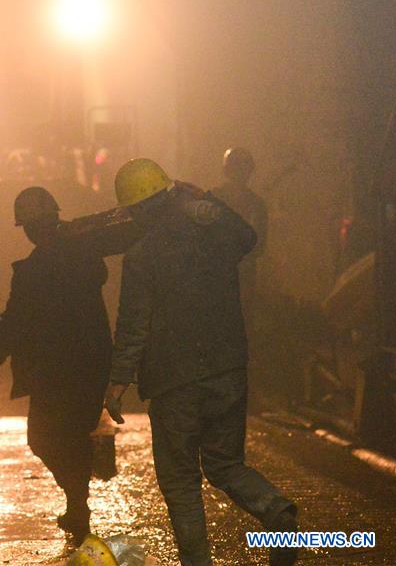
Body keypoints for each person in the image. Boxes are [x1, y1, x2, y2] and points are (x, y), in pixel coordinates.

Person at [103, 159, 297, 566]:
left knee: (180, 481)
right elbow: (249, 238)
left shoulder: (141, 256)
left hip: (174, 381)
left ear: (136, 210)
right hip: (228, 368)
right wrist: (210, 203)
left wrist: (118, 381)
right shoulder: (214, 235)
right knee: (226, 464)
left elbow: (133, 325)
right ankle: (274, 510)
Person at [0, 186, 142, 539]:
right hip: (81, 362)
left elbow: (14, 318)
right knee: (61, 437)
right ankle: (77, 505)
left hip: (64, 365)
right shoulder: (67, 255)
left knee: (48, 437)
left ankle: (77, 504)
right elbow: (15, 317)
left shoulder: (54, 260)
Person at [212, 147, 268, 301]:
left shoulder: (212, 199)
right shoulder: (256, 204)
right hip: (224, 274)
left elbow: (258, 246)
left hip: (232, 275)